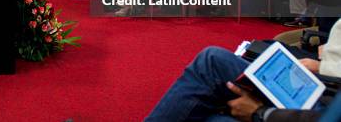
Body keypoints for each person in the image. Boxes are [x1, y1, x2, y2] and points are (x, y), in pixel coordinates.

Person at [145, 17, 341, 121]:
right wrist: (323, 62)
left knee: (212, 61)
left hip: (325, 95)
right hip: (323, 75)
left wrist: (261, 113)